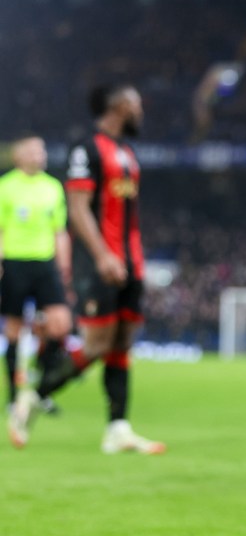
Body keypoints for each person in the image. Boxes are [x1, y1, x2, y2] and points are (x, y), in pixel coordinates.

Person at [8, 84, 165, 454]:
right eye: (137, 103)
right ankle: (32, 396)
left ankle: (118, 428)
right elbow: (78, 207)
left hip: (131, 261)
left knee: (122, 343)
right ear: (120, 106)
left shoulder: (127, 150)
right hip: (101, 262)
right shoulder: (87, 148)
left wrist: (130, 257)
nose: (142, 110)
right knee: (96, 344)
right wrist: (102, 256)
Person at [1, 135, 72, 445]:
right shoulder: (6, 186)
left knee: (60, 325)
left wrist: (64, 266)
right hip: (14, 262)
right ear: (19, 156)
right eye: (32, 150)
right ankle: (14, 398)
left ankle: (39, 392)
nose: (39, 155)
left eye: (42, 150)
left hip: (44, 264)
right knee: (14, 330)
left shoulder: (52, 187)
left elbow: (60, 231)